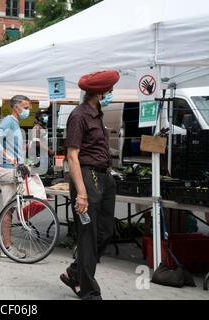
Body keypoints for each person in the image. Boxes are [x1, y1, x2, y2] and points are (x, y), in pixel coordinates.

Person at [61, 70, 120, 300]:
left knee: (105, 231)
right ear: (99, 93)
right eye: (110, 91)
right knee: (88, 235)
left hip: (104, 177)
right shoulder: (79, 116)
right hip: (88, 177)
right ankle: (89, 292)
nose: (111, 94)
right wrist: (82, 194)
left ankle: (75, 273)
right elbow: (72, 156)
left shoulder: (97, 113)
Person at [0, 95, 31, 259]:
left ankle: (5, 241)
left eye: (29, 107)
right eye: (26, 107)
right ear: (16, 107)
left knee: (12, 208)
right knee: (8, 209)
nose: (28, 110)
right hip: (8, 170)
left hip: (16, 170)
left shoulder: (15, 123)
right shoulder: (9, 120)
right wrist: (5, 154)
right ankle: (6, 247)